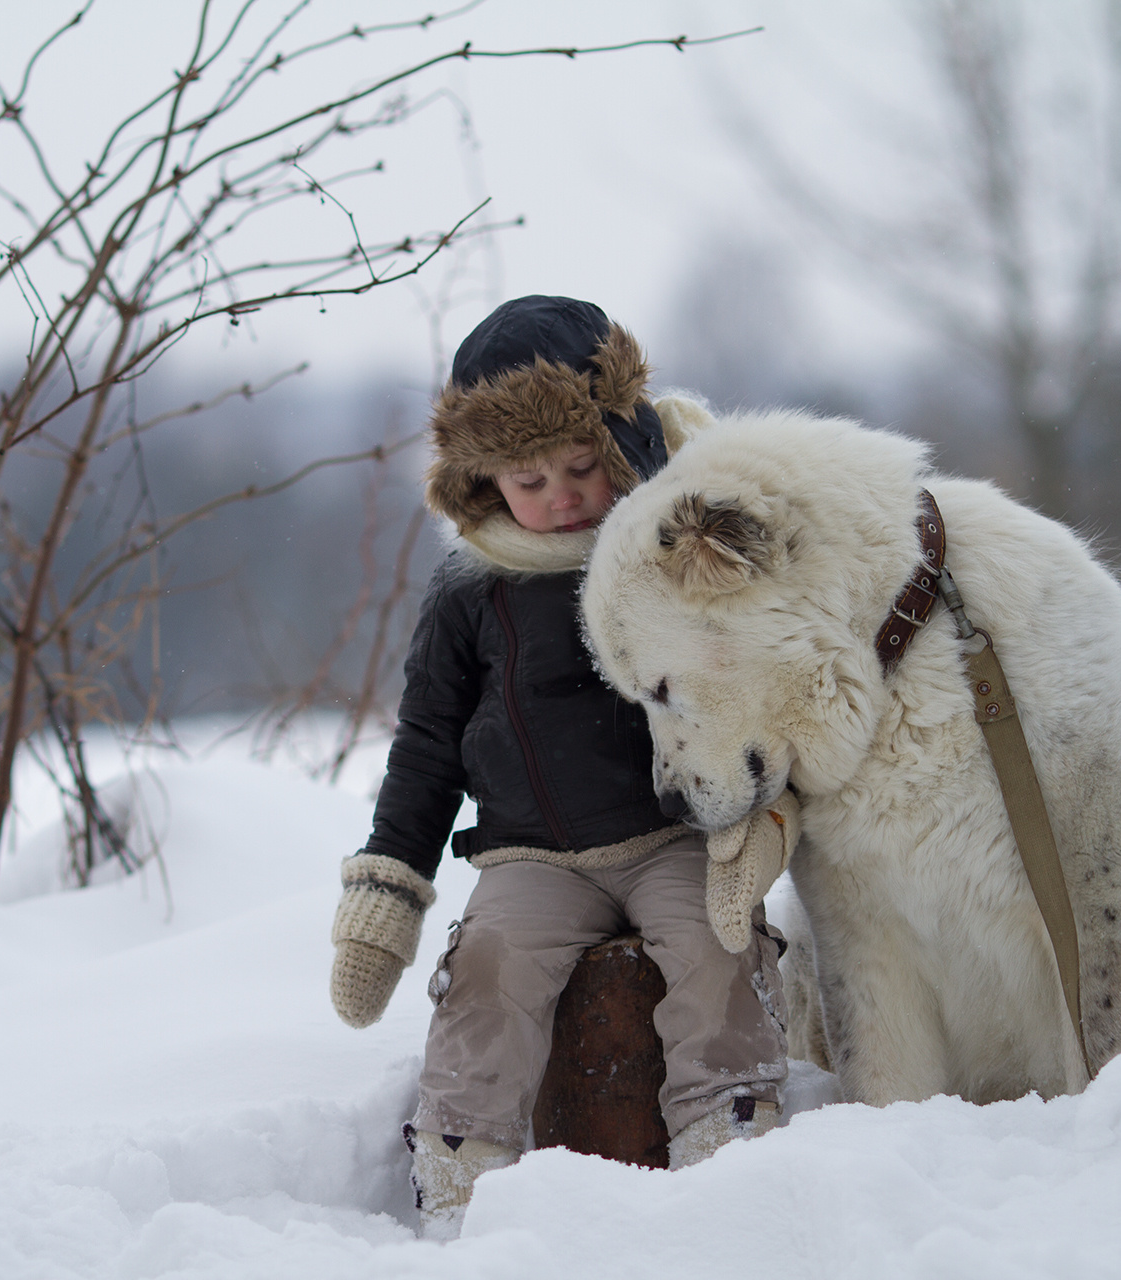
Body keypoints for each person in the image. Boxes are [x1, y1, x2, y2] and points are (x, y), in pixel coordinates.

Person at [325, 296, 798, 1240]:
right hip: (534, 857)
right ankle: (463, 1170)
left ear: (626, 441)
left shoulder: (677, 550)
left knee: (718, 947)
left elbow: (761, 678)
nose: (563, 496)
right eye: (529, 479)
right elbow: (426, 742)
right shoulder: (470, 589)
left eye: (584, 466)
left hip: (673, 836)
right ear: (482, 480)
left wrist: (766, 814)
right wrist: (388, 893)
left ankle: (732, 1143)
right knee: (490, 971)